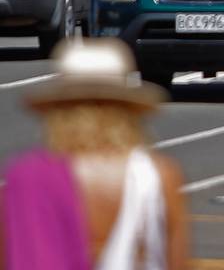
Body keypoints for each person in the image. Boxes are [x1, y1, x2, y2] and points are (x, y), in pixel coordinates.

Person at [1, 39, 189, 269]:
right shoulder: (158, 176)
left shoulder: (27, 176)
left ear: (58, 107)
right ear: (129, 108)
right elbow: (175, 262)